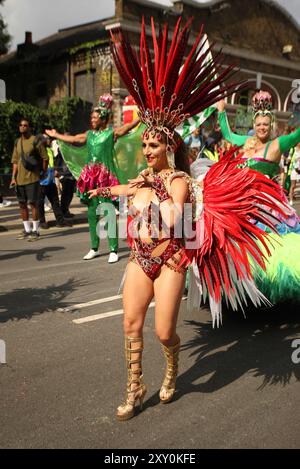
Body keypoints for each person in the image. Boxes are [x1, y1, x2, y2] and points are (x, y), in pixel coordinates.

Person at [87, 18, 287, 421]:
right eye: (143, 142)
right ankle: (134, 386)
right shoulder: (142, 176)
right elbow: (129, 191)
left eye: (153, 143)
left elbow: (176, 215)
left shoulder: (177, 180)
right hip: (139, 258)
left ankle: (172, 365)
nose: (146, 149)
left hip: (171, 259)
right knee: (130, 323)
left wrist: (154, 192)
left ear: (168, 146)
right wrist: (106, 191)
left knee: (163, 332)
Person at [216, 92, 300, 302]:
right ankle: (242, 286)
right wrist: (221, 111)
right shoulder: (246, 142)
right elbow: (227, 135)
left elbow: (297, 135)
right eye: (259, 123)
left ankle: (267, 287)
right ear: (254, 124)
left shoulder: (277, 144)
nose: (262, 127)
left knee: (269, 246)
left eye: (266, 124)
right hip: (244, 200)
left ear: (271, 124)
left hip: (268, 205)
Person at [46, 96, 139, 263]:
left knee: (109, 212)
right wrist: (57, 135)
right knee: (91, 214)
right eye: (91, 118)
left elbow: (128, 127)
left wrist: (142, 115)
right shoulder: (88, 135)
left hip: (106, 179)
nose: (92, 120)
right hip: (90, 179)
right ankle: (94, 248)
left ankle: (113, 249)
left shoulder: (111, 133)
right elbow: (73, 139)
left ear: (103, 119)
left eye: (95, 117)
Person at [10, 118, 48, 241]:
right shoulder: (17, 142)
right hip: (19, 179)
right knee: (22, 204)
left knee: (33, 204)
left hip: (32, 178)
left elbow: (45, 158)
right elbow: (15, 161)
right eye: (21, 125)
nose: (23, 127)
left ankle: (36, 231)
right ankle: (27, 230)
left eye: (25, 125)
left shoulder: (35, 141)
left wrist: (43, 172)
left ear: (29, 127)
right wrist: (13, 178)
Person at [38, 135, 72, 229]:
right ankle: (42, 221)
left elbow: (52, 163)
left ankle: (60, 221)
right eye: (47, 139)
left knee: (55, 201)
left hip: (50, 179)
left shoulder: (49, 150)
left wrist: (55, 171)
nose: (49, 140)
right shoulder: (38, 151)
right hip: (41, 181)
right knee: (40, 203)